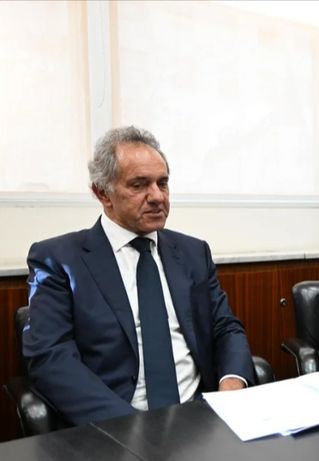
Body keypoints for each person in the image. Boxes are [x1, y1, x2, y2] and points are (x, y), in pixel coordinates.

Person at [23, 126, 256, 426]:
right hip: (117, 428)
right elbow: (51, 359)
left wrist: (231, 388)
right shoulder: (59, 259)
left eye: (163, 183)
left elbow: (226, 328)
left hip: (201, 421)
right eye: (139, 185)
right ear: (102, 192)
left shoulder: (193, 253)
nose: (157, 196)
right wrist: (131, 427)